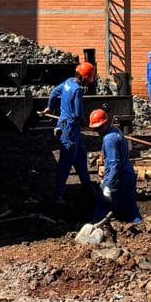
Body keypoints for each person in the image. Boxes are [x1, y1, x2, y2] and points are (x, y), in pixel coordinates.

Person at [48, 60, 96, 203]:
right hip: (70, 129)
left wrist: (50, 108)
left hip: (66, 126)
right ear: (83, 77)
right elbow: (77, 112)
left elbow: (54, 93)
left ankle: (87, 189)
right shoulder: (78, 90)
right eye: (88, 80)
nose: (88, 83)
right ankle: (58, 195)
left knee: (81, 158)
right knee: (66, 162)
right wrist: (85, 123)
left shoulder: (68, 82)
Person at [90, 109, 141, 224]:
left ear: (105, 123)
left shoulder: (109, 139)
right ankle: (139, 226)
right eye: (95, 129)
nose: (98, 131)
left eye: (99, 128)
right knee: (130, 206)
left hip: (119, 177)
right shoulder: (115, 130)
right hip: (128, 174)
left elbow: (114, 163)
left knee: (103, 204)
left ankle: (95, 226)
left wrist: (108, 185)